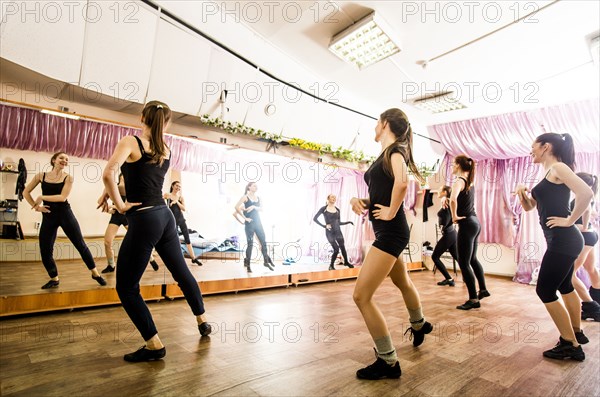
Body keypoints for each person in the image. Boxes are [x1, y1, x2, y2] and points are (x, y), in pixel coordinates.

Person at [101, 100, 211, 363]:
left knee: (126, 287)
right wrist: (110, 192)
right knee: (182, 272)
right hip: (165, 217)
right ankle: (202, 321)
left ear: (142, 118)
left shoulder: (130, 141)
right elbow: (142, 181)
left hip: (145, 219)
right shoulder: (167, 149)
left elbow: (108, 173)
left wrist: (118, 204)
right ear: (167, 122)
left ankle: (153, 345)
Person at [350, 108, 432, 380]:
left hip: (391, 233)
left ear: (384, 123)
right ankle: (419, 324)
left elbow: (402, 183)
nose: (375, 126)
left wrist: (390, 211)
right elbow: (388, 189)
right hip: (390, 231)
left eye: (377, 122)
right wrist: (363, 203)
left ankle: (388, 362)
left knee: (361, 296)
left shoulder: (395, 151)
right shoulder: (388, 153)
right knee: (403, 282)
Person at [515, 132, 592, 361]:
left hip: (564, 239)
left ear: (545, 146)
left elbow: (586, 193)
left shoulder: (559, 168)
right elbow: (530, 207)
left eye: (533, 146)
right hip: (561, 239)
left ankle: (570, 344)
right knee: (565, 285)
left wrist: (570, 221)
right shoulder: (548, 173)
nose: (531, 151)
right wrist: (521, 192)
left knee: (544, 290)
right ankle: (576, 332)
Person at [23, 152, 107, 289]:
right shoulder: (41, 176)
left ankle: (95, 273)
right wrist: (36, 207)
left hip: (65, 214)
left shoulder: (68, 178)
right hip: (48, 216)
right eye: (61, 158)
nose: (64, 160)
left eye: (67, 159)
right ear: (54, 160)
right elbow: (25, 192)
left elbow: (62, 197)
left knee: (80, 244)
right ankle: (54, 278)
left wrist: (42, 197)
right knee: (45, 250)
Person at [97, 173, 160, 273]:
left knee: (139, 241)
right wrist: (108, 209)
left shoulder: (133, 188)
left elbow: (135, 204)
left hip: (128, 217)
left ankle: (151, 258)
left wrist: (114, 206)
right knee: (107, 242)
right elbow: (100, 201)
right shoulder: (113, 187)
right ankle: (111, 265)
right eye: (123, 176)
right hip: (116, 217)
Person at [449, 155, 489, 310]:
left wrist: (454, 216)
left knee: (464, 262)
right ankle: (483, 290)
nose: (452, 166)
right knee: (472, 259)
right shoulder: (470, 181)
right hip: (475, 222)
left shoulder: (459, 180)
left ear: (459, 165)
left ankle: (473, 300)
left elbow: (453, 199)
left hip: (466, 223)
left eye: (453, 164)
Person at [569, 172, 600, 321]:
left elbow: (585, 215)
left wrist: (574, 225)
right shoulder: (590, 195)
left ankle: (592, 308)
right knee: (591, 269)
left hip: (585, 237)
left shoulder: (584, 195)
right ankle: (598, 303)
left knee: (569, 274)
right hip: (591, 236)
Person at [233, 182, 275, 272]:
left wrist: (254, 206)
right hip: (249, 224)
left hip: (258, 223)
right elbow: (236, 207)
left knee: (263, 241)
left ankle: (266, 262)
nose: (256, 187)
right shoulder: (245, 197)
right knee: (250, 244)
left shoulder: (259, 198)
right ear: (249, 187)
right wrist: (244, 219)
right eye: (254, 186)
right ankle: (248, 264)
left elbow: (262, 209)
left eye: (257, 186)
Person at [163, 181, 203, 266]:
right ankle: (176, 259)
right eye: (177, 186)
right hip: (172, 221)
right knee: (174, 241)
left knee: (187, 239)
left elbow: (184, 209)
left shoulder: (180, 197)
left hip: (181, 220)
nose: (178, 188)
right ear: (173, 186)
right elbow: (162, 204)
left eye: (179, 187)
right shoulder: (167, 195)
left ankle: (194, 258)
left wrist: (176, 201)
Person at [313, 194, 355, 270]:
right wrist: (324, 226)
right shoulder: (323, 209)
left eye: (335, 197)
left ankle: (346, 262)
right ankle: (331, 265)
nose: (334, 198)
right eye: (332, 197)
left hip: (338, 231)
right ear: (328, 198)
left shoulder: (337, 210)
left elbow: (339, 222)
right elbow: (315, 218)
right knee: (336, 249)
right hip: (329, 232)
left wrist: (348, 222)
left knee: (343, 247)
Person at [432, 185, 458, 286]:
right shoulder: (446, 201)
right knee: (457, 257)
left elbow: (448, 217)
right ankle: (468, 276)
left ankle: (449, 279)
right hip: (452, 234)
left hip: (449, 234)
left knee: (435, 256)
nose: (438, 191)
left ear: (445, 192)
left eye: (440, 190)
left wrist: (443, 226)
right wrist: (445, 198)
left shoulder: (447, 203)